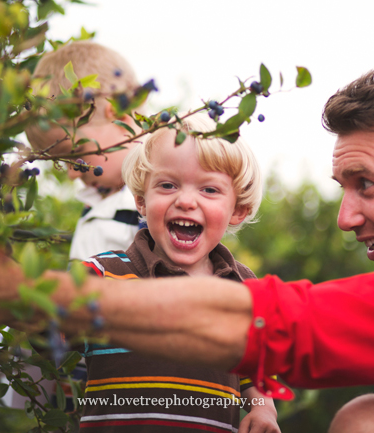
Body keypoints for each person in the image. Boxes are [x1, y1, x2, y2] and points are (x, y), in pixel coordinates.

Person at [0, 60, 374, 433]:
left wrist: (32, 292)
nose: (346, 218)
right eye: (167, 185)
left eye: (366, 185)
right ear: (143, 198)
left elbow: (290, 328)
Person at [72, 112, 278, 432]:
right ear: (141, 200)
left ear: (237, 209)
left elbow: (257, 366)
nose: (185, 201)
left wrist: (264, 410)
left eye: (209, 190)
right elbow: (49, 325)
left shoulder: (245, 289)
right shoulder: (103, 273)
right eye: (168, 185)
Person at [25, 40, 144, 261]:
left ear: (119, 117)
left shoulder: (158, 202)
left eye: (76, 155)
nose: (72, 173)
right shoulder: (99, 203)